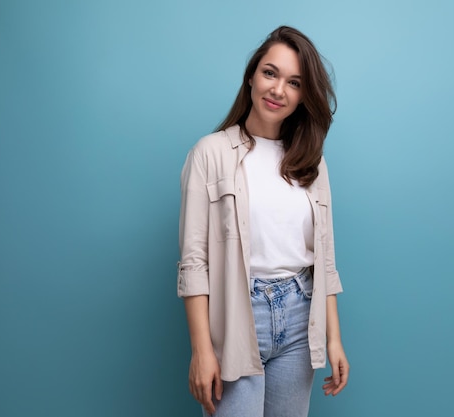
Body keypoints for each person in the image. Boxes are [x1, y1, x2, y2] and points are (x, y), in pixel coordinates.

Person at [177, 25, 348, 417]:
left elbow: (323, 257)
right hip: (236, 314)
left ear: (304, 95)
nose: (278, 90)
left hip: (300, 315)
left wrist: (334, 339)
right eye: (270, 73)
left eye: (294, 82)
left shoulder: (313, 163)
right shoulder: (210, 154)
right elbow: (194, 262)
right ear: (252, 75)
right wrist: (201, 351)